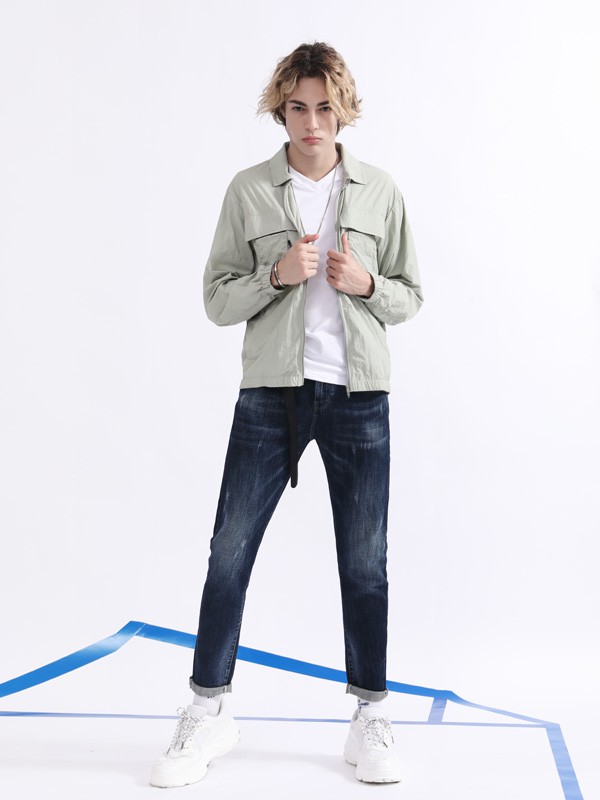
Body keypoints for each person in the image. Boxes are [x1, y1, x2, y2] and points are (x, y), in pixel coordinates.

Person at [150, 41, 423, 788]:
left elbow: (410, 295)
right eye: (298, 108)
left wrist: (366, 284)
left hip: (358, 396)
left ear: (344, 110)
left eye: (325, 108)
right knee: (229, 552)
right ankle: (207, 710)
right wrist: (276, 274)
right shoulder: (249, 191)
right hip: (271, 395)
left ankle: (370, 715)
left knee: (364, 562)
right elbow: (216, 299)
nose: (312, 123)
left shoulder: (381, 191)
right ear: (281, 110)